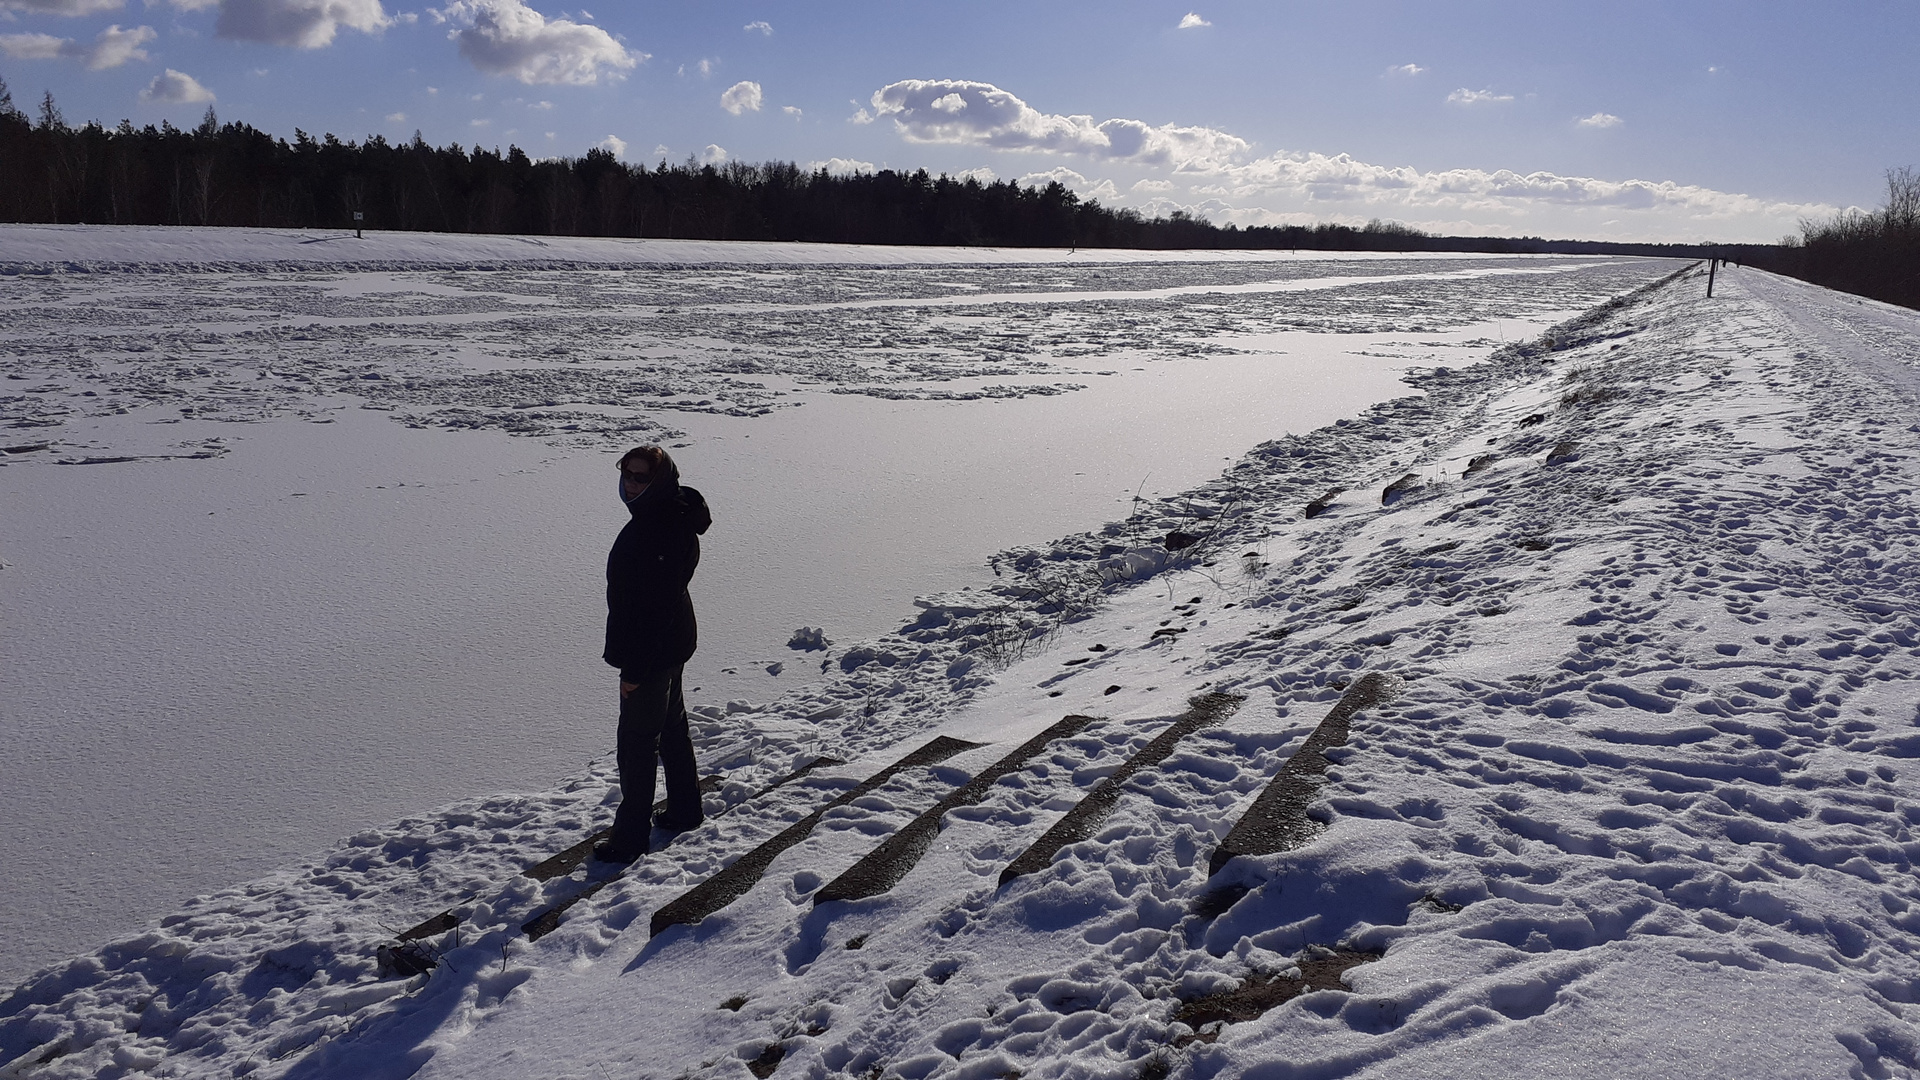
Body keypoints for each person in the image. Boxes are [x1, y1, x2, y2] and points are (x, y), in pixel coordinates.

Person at [596, 445, 712, 864]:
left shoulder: (659, 527)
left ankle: (629, 840)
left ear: (659, 481)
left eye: (641, 477)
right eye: (626, 473)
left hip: (655, 650)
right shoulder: (666, 515)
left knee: (637, 742)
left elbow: (654, 607)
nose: (631, 482)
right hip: (672, 642)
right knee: (671, 725)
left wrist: (634, 670)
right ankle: (684, 809)